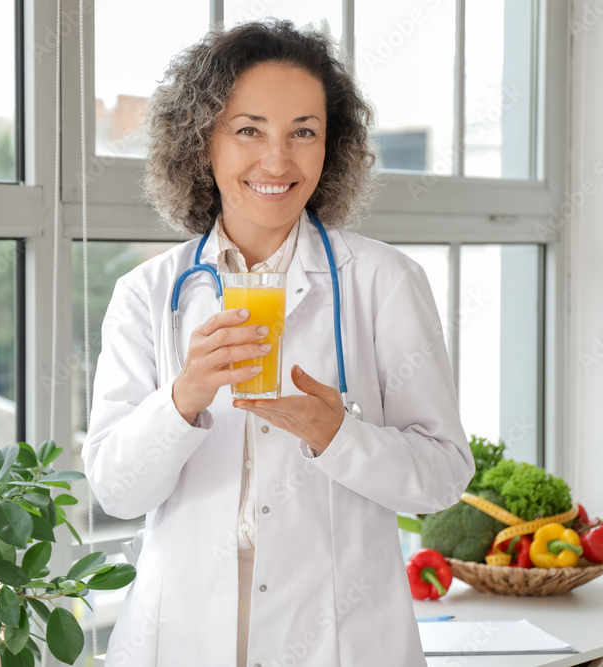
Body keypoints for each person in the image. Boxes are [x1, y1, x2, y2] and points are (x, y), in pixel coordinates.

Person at [82, 19, 473, 667]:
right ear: (201, 140)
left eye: (304, 133)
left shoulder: (384, 281)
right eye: (249, 130)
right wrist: (183, 398)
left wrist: (337, 434)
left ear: (332, 145)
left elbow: (441, 477)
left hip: (337, 634)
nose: (277, 160)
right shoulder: (149, 293)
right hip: (180, 631)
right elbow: (117, 492)